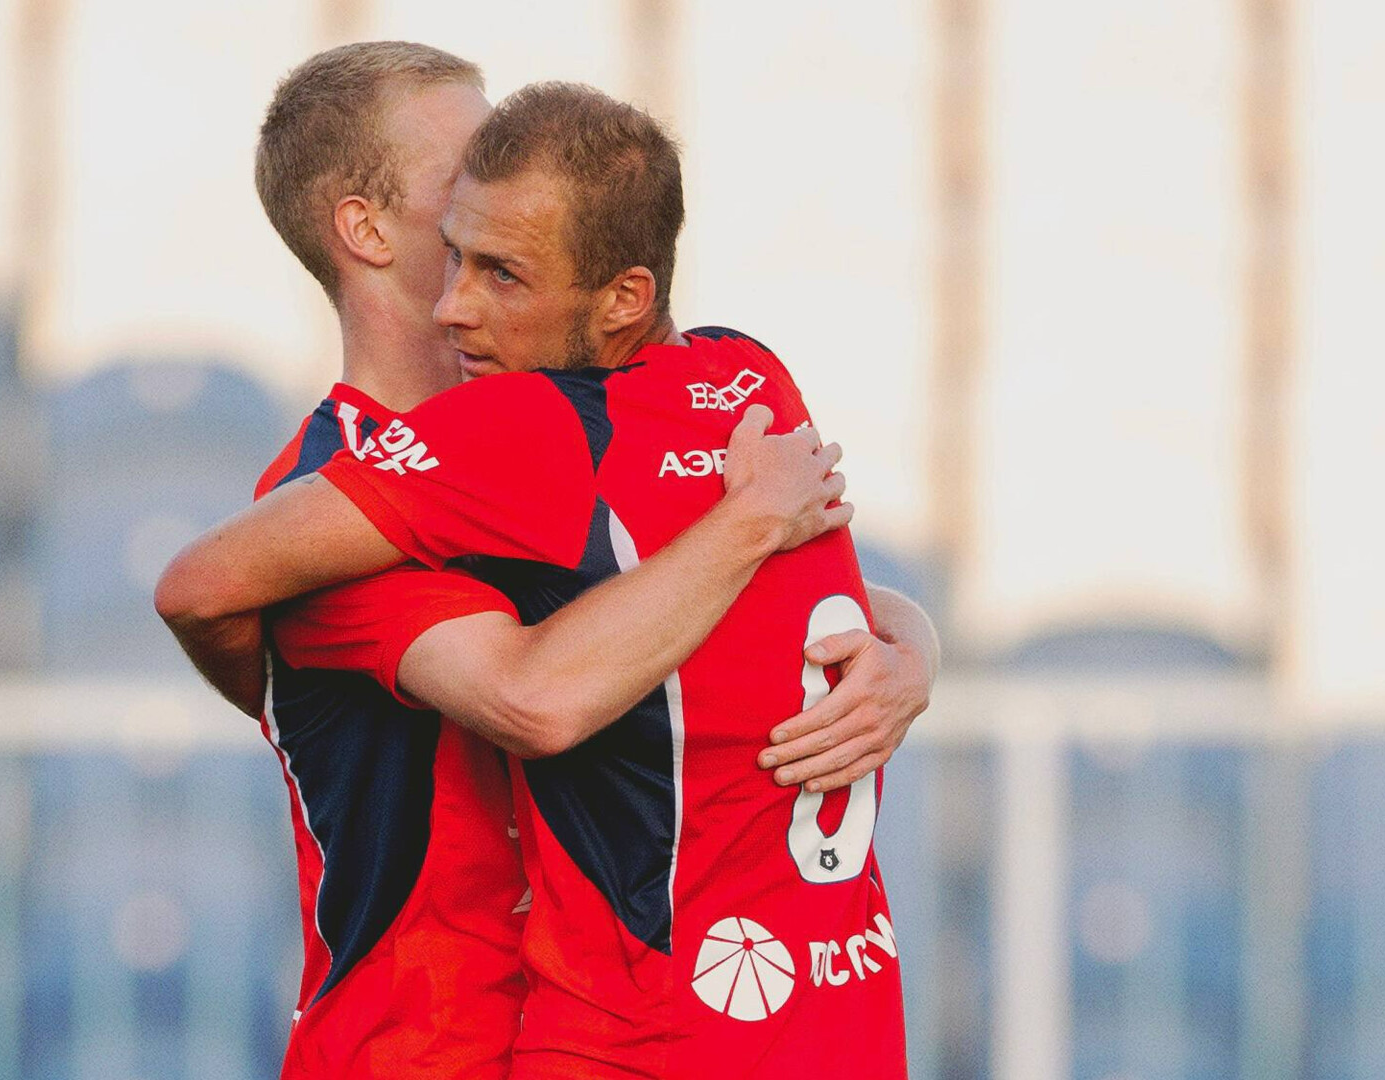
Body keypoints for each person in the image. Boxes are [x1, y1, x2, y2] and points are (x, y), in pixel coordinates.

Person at [155, 46, 934, 1080]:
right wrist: (273, 687)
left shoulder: (577, 423)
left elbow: (697, 591)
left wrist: (902, 643)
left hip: (584, 1031)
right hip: (423, 1052)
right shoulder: (330, 510)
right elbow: (535, 695)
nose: (507, 177)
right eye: (468, 168)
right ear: (366, 229)